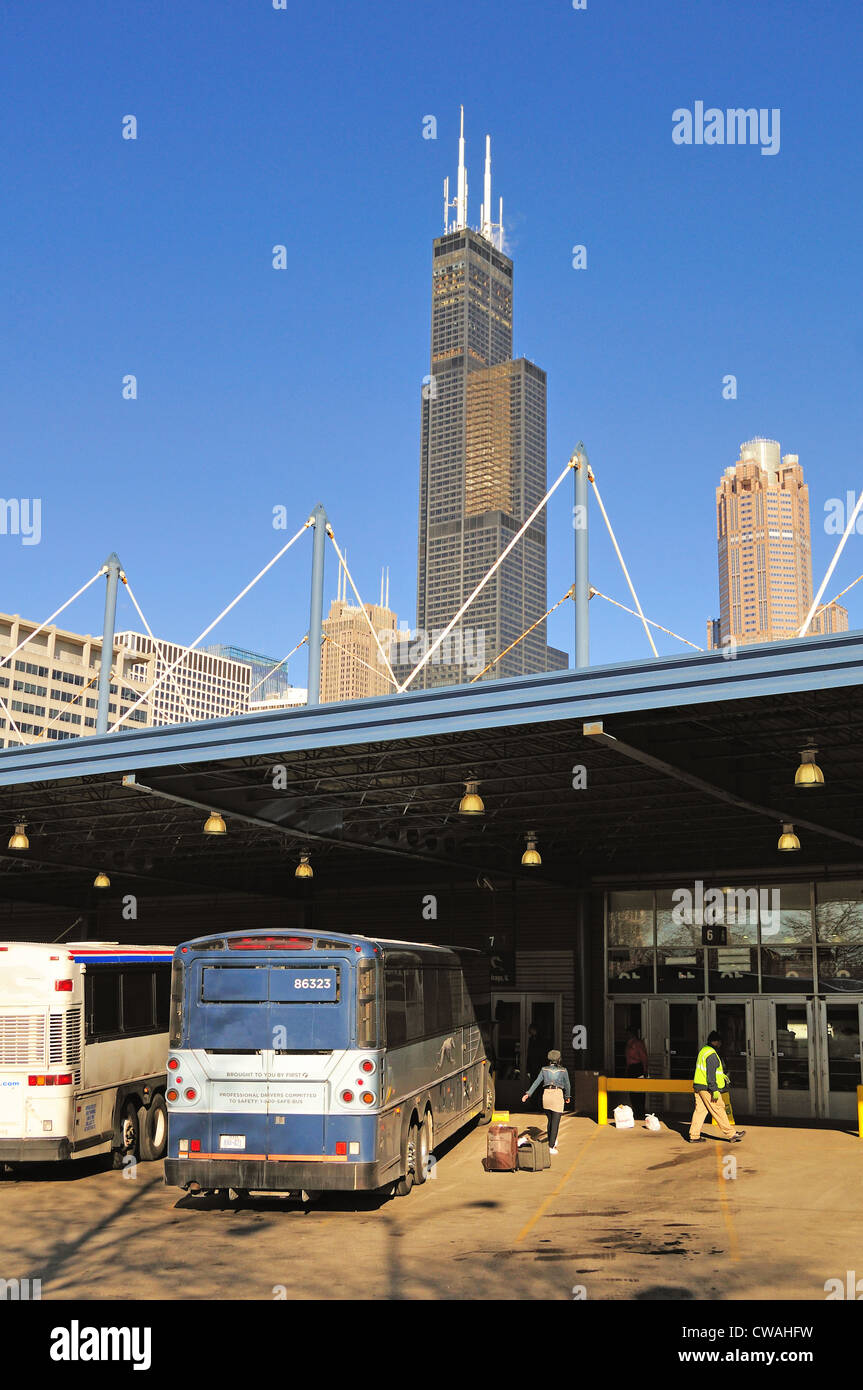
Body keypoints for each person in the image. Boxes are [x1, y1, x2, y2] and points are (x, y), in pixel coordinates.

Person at [689, 1031, 746, 1143]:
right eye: (719, 1042)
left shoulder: (703, 1051)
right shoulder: (712, 1054)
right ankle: (731, 1134)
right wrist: (714, 1089)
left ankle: (694, 1136)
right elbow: (710, 1074)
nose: (720, 1044)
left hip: (699, 1086)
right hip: (708, 1088)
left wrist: (721, 1075)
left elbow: (706, 1070)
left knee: (700, 1111)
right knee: (719, 1109)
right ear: (715, 1042)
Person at [522, 1049, 571, 1155]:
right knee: (555, 1123)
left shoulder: (544, 1070)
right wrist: (567, 1096)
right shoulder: (563, 1071)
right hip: (557, 1095)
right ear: (559, 1059)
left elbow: (536, 1082)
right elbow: (567, 1085)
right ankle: (551, 1146)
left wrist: (528, 1094)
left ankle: (551, 1140)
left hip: (546, 1096)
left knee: (550, 1120)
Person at [624, 1027, 649, 1120]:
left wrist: (645, 1069)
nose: (626, 1036)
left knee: (639, 1091)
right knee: (632, 1092)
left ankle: (641, 1112)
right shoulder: (628, 1044)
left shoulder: (638, 1043)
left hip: (638, 1067)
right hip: (631, 1068)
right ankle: (636, 1111)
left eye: (628, 1034)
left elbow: (644, 1057)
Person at [525, 1025, 545, 1110]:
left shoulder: (541, 1040)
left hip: (539, 1066)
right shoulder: (531, 1040)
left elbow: (541, 1054)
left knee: (539, 1086)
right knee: (534, 1085)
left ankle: (539, 1105)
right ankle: (533, 1104)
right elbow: (529, 1055)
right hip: (533, 1067)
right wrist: (528, 1068)